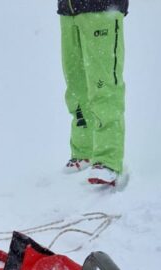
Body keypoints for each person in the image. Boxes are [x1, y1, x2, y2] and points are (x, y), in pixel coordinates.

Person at [58, 0, 128, 186]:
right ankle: (84, 151)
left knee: (103, 85)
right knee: (76, 88)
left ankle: (108, 160)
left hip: (103, 9)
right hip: (69, 11)